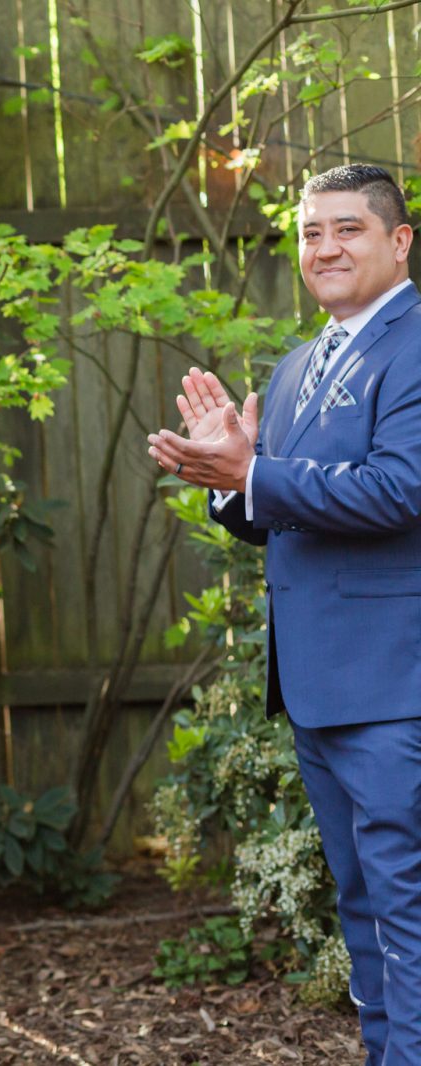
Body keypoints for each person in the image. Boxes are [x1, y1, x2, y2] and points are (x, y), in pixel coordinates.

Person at [148, 163, 421, 1065]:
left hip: (396, 687)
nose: (325, 248)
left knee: (407, 911)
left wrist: (257, 474)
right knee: (363, 911)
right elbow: (292, 516)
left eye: (347, 229)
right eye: (310, 232)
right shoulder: (300, 365)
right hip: (316, 687)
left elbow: (400, 489)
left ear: (398, 241)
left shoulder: (417, 344)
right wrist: (230, 484)